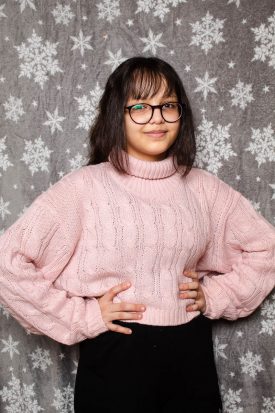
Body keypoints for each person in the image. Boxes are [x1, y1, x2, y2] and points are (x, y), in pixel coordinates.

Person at [0, 56, 274, 413]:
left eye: (168, 105)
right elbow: (9, 262)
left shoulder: (203, 188)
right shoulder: (85, 187)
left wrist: (216, 295)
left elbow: (266, 247)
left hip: (190, 357)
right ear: (118, 113)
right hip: (117, 357)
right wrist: (82, 318)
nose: (157, 117)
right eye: (141, 106)